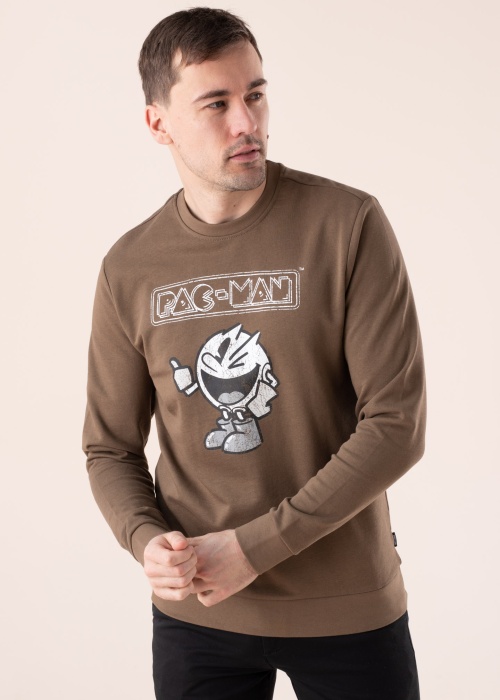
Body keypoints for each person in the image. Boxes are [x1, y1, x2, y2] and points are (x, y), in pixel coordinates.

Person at [82, 7, 426, 699]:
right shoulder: (130, 266)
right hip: (198, 615)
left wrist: (254, 548)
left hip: (346, 608)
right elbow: (109, 447)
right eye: (216, 103)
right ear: (158, 123)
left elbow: (396, 426)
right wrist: (145, 539)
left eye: (256, 94)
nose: (248, 122)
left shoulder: (347, 225)